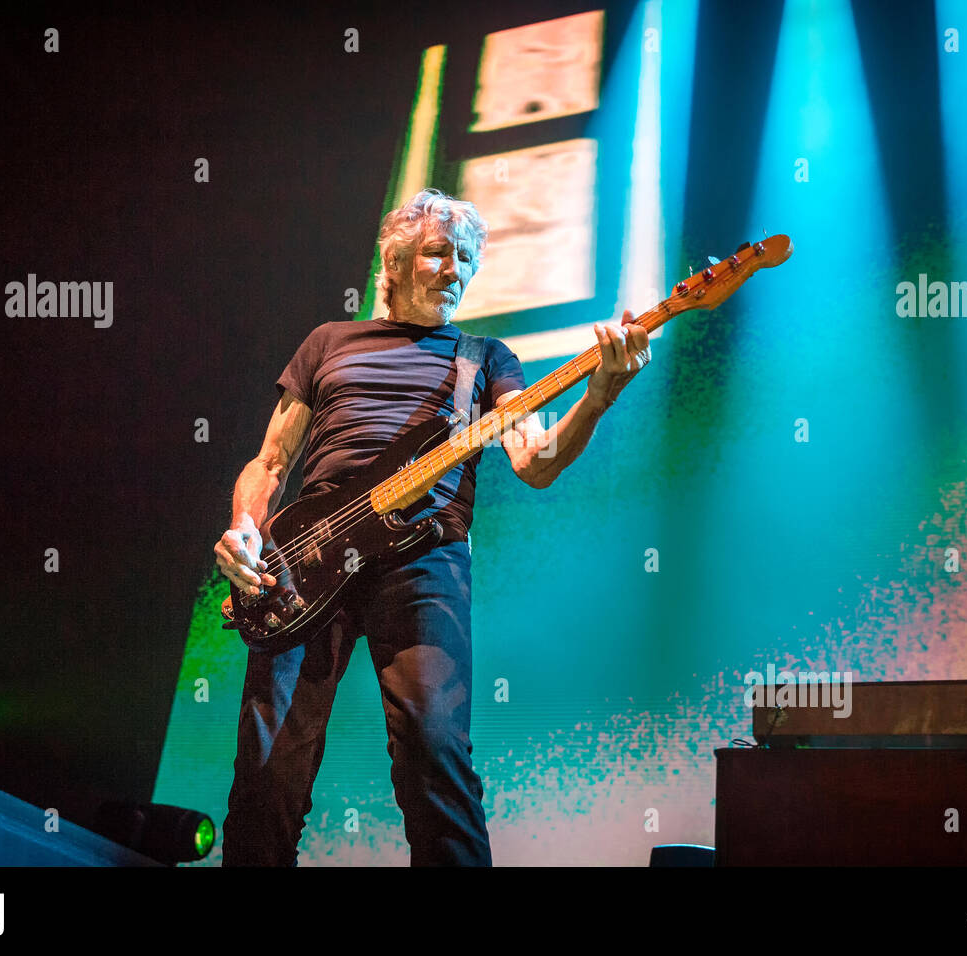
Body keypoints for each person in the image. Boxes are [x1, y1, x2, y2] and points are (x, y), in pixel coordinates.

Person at [214, 188, 651, 866]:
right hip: (304, 557)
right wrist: (245, 527)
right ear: (393, 261)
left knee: (434, 749)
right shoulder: (328, 342)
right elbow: (270, 460)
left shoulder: (487, 358)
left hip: (424, 558)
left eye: (467, 259)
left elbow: (535, 461)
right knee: (269, 765)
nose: (456, 270)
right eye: (439, 254)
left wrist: (600, 393)